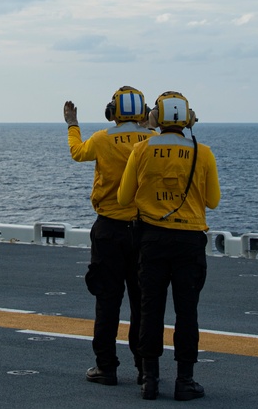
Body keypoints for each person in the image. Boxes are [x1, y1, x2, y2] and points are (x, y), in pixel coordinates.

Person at [117, 91, 220, 401]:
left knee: (150, 309)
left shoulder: (141, 150)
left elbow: (123, 199)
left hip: (152, 240)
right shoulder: (203, 152)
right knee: (187, 312)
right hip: (189, 242)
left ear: (156, 119)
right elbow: (213, 201)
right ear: (188, 119)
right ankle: (185, 381)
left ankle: (149, 379)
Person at [64, 86, 154, 386]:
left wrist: (72, 125)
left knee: (107, 301)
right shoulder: (153, 141)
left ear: (112, 113)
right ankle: (144, 367)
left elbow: (77, 153)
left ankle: (106, 366)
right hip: (143, 232)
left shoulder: (103, 139)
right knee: (142, 303)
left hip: (109, 230)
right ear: (142, 113)